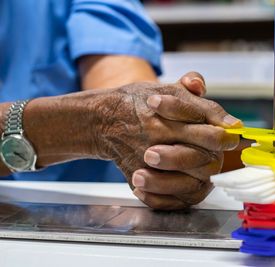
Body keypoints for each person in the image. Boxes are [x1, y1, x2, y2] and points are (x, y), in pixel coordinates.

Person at [0, 0, 243, 210]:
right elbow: (111, 114)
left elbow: (122, 80)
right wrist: (96, 121)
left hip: (93, 211)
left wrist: (162, 126)